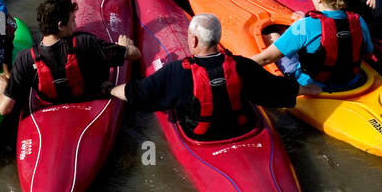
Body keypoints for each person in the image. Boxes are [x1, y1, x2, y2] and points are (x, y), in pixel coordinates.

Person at [110, 13, 298, 139]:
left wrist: (109, 89)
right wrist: (312, 88)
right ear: (218, 38)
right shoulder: (243, 66)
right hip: (242, 129)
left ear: (193, 39)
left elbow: (137, 94)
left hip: (201, 135)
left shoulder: (177, 71)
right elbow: (282, 91)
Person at [0, 0, 140, 116]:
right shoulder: (84, 42)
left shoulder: (24, 59)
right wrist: (125, 46)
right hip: (90, 98)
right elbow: (135, 55)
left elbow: (4, 109)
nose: (75, 25)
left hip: (50, 105)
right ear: (60, 25)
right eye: (72, 20)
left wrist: (3, 85)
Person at [249, 0, 373, 96]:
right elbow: (368, 54)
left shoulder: (304, 25)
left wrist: (235, 64)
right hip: (351, 83)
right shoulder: (358, 20)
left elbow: (266, 58)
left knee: (275, 38)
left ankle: (274, 36)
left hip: (313, 85)